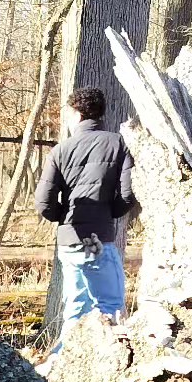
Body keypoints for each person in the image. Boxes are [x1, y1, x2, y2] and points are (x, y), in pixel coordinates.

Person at [34, 86, 136, 341]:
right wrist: (106, 215)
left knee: (76, 308)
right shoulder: (118, 144)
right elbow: (127, 195)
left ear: (77, 113)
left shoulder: (60, 150)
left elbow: (44, 202)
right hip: (97, 239)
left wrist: (66, 217)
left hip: (69, 242)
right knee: (110, 305)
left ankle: (64, 364)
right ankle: (109, 366)